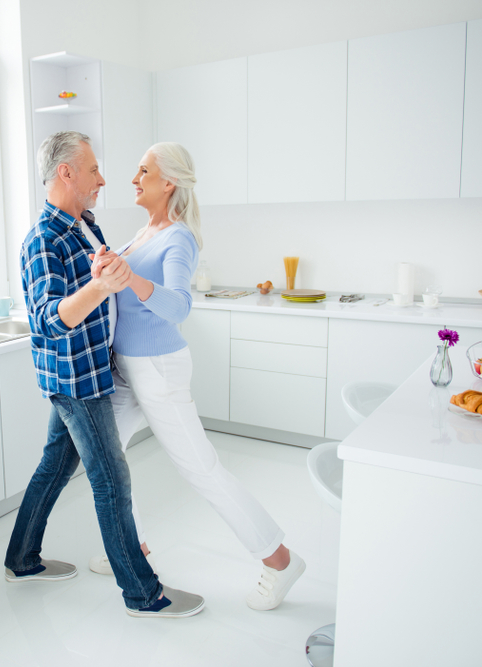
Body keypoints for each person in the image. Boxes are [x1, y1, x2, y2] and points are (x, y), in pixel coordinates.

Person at [88, 142, 305, 611]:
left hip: (158, 370)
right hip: (126, 367)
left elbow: (178, 306)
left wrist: (131, 280)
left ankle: (280, 560)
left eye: (143, 171)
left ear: (168, 183)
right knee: (107, 457)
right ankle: (134, 547)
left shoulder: (178, 237)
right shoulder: (142, 233)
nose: (133, 178)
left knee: (201, 470)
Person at [4, 131, 205, 618]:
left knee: (55, 467)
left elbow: (112, 285)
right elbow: (52, 318)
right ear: (66, 172)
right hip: (77, 380)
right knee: (111, 481)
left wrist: (115, 273)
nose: (103, 179)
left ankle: (21, 559)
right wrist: (101, 284)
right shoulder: (42, 241)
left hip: (97, 370)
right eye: (93, 169)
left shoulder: (83, 226)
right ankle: (142, 593)